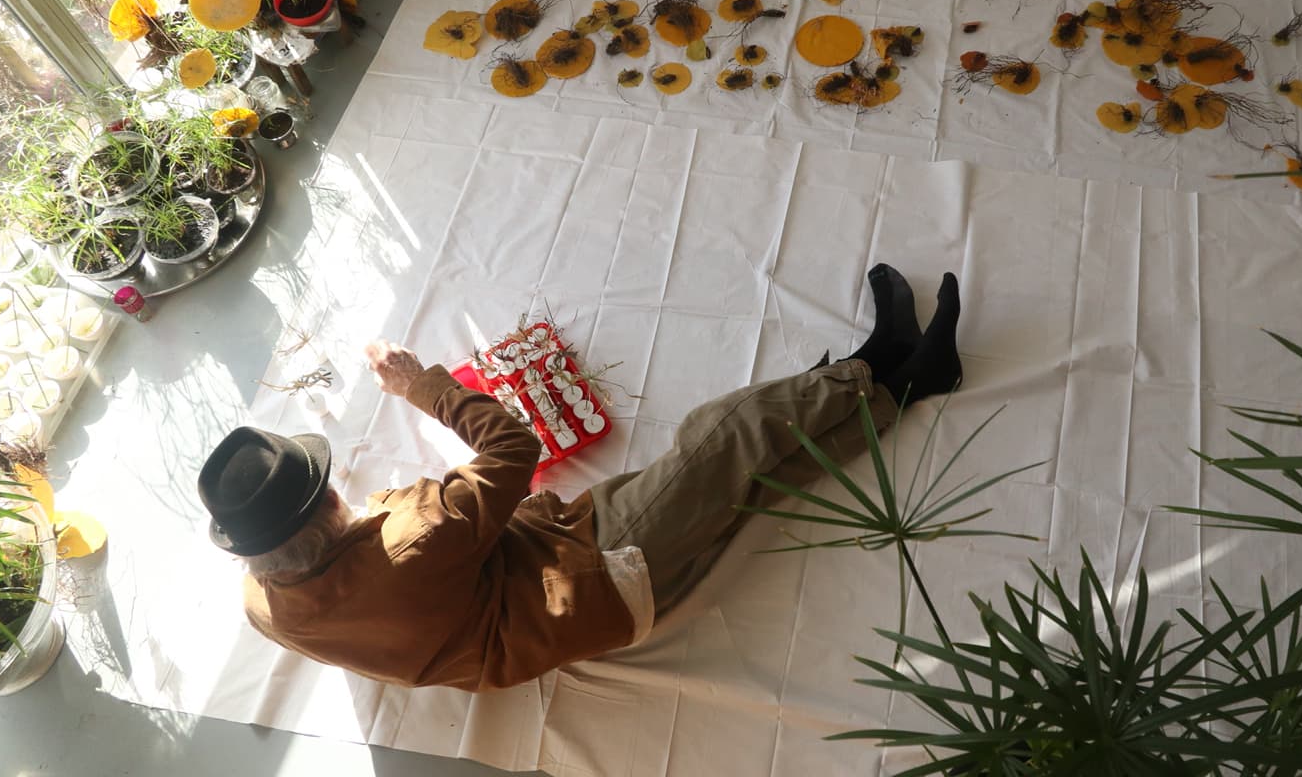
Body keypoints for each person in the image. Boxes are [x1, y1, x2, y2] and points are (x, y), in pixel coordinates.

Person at [198, 264, 963, 692]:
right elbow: (512, 446)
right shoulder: (418, 535)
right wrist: (421, 386)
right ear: (326, 503)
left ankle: (898, 389)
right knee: (722, 439)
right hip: (600, 576)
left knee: (751, 484)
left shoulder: (262, 605)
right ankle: (871, 366)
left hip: (559, 619)